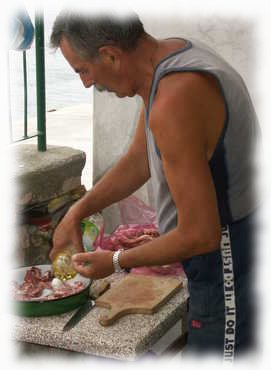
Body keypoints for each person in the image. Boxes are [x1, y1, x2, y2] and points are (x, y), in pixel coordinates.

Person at [49, 9, 259, 360]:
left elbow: (200, 234)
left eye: (83, 70)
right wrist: (76, 212)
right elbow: (140, 161)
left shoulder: (175, 98)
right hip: (223, 253)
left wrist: (115, 260)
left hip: (227, 257)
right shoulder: (171, 61)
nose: (86, 83)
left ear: (111, 55)